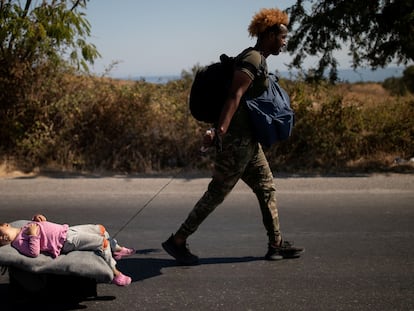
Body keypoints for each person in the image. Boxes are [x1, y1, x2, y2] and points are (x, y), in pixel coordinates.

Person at [162, 8, 304, 265]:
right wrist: (220, 131)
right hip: (236, 141)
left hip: (249, 141)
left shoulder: (259, 58)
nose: (284, 42)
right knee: (217, 192)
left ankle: (276, 244)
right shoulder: (252, 59)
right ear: (270, 34)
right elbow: (234, 96)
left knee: (266, 187)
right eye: (282, 37)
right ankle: (178, 240)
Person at [0, 214, 135, 286]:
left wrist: (39, 219)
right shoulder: (18, 242)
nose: (1, 237)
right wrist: (34, 235)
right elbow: (33, 252)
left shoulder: (26, 226)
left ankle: (117, 249)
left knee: (100, 229)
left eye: (0, 233)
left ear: (6, 225)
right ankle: (115, 273)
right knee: (102, 243)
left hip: (67, 230)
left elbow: (43, 226)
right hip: (66, 241)